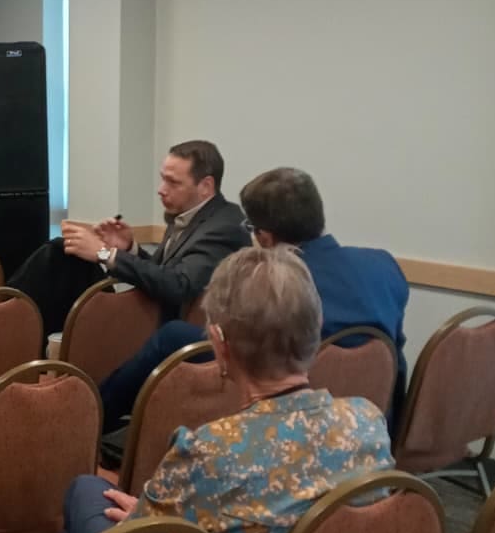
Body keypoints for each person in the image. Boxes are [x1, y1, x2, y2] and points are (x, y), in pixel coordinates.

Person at [53, 246, 395, 533]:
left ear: (219, 343)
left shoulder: (207, 451)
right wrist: (154, 517)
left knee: (85, 492)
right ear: (316, 328)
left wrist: (146, 522)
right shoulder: (369, 423)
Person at [99, 167, 410, 430]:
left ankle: (95, 416)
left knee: (174, 336)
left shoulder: (270, 283)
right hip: (369, 422)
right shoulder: (383, 265)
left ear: (264, 236)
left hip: (289, 418)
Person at [9, 139, 249, 338]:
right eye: (162, 178)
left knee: (64, 258)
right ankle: (7, 320)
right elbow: (162, 271)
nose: (161, 189)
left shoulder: (224, 225)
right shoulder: (189, 214)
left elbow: (178, 286)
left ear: (206, 186)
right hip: (150, 316)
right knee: (64, 253)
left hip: (169, 333)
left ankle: (4, 318)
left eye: (172, 182)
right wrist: (129, 248)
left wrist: (105, 254)